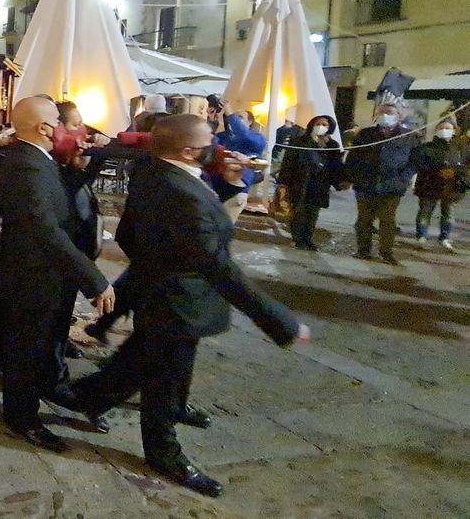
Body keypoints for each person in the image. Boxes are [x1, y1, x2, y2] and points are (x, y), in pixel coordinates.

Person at [62, 113, 309, 497]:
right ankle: (163, 453)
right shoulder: (176, 190)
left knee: (143, 360)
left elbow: (135, 232)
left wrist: (226, 187)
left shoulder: (157, 170)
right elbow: (221, 268)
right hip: (178, 302)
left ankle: (89, 398)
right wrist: (281, 322)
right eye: (210, 138)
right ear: (191, 151)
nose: (218, 142)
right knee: (161, 378)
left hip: (167, 295)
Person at [0, 96, 115, 453]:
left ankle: (29, 397)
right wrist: (94, 279)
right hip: (31, 277)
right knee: (24, 353)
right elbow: (45, 229)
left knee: (34, 347)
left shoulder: (38, 159)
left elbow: (61, 200)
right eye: (58, 121)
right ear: (43, 128)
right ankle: (22, 419)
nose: (65, 128)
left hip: (47, 275)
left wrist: (86, 162)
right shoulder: (26, 164)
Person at [344, 103, 418, 265]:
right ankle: (363, 250)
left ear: (398, 116)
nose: (385, 115)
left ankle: (386, 252)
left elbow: (414, 161)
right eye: (382, 112)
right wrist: (350, 177)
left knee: (387, 221)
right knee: (364, 220)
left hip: (392, 186)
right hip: (366, 184)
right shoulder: (366, 134)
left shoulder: (408, 136)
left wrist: (403, 178)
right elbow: (354, 157)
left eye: (390, 113)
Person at [277, 115, 345, 250]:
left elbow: (336, 166)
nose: (321, 126)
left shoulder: (332, 145)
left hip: (319, 185)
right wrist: (283, 181)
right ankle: (298, 239)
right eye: (318, 123)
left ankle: (307, 238)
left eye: (324, 124)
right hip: (300, 182)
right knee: (299, 212)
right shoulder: (300, 141)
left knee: (312, 213)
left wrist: (339, 182)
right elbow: (288, 162)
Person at [411, 119, 467, 251]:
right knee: (425, 212)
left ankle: (445, 238)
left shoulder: (459, 149)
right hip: (429, 185)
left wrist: (455, 173)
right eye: (442, 128)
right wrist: (436, 172)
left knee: (448, 213)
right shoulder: (427, 147)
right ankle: (422, 236)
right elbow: (419, 164)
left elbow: (465, 167)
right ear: (436, 130)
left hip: (451, 187)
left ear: (454, 130)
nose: (444, 131)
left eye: (448, 128)